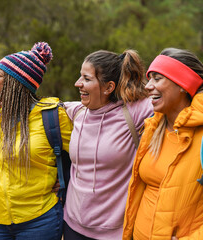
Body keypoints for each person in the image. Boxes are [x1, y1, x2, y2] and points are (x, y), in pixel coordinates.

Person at [0, 42, 72, 240]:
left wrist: (66, 180)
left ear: (17, 82)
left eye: (0, 76)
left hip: (39, 220)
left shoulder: (53, 115)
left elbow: (84, 155)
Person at [63, 49, 153, 240]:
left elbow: (175, 99)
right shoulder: (78, 111)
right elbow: (47, 106)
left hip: (114, 231)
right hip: (72, 225)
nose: (77, 84)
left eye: (86, 79)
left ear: (108, 87)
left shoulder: (133, 113)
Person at [122, 48, 203, 240]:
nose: (148, 86)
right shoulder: (152, 127)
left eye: (157, 79)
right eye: (150, 79)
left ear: (183, 84)